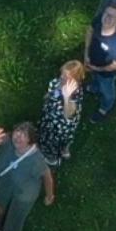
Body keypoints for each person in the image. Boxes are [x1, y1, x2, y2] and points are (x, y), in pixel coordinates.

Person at [0, 121, 47, 231]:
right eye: (17, 131)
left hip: (23, 193)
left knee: (14, 214)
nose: (18, 136)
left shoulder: (36, 159)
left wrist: (50, 195)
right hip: (6, 183)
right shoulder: (8, 140)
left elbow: (47, 176)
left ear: (30, 141)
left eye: (24, 135)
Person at [36, 59, 88, 194]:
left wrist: (66, 97)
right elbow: (50, 93)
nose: (62, 78)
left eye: (67, 77)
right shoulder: (56, 82)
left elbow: (68, 114)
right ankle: (63, 149)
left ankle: (52, 160)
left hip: (61, 124)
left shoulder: (75, 93)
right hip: (50, 117)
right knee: (45, 134)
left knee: (56, 141)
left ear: (75, 80)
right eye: (62, 74)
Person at [86, 3, 116, 122]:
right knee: (94, 78)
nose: (107, 18)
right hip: (92, 63)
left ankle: (104, 108)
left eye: (112, 16)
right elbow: (90, 30)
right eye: (106, 13)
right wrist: (86, 54)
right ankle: (95, 87)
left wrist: (98, 69)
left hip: (106, 73)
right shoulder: (99, 21)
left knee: (108, 92)